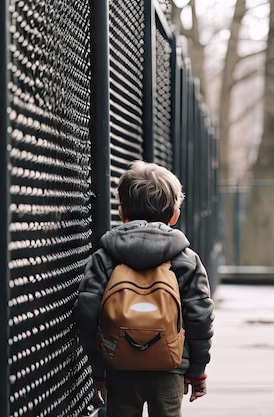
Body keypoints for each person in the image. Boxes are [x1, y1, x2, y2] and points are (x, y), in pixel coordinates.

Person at [74, 160, 215, 417]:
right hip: (169, 366)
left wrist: (98, 367)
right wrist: (197, 369)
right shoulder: (186, 260)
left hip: (119, 365)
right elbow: (200, 317)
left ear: (122, 212)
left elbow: (87, 312)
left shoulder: (104, 257)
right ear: (174, 215)